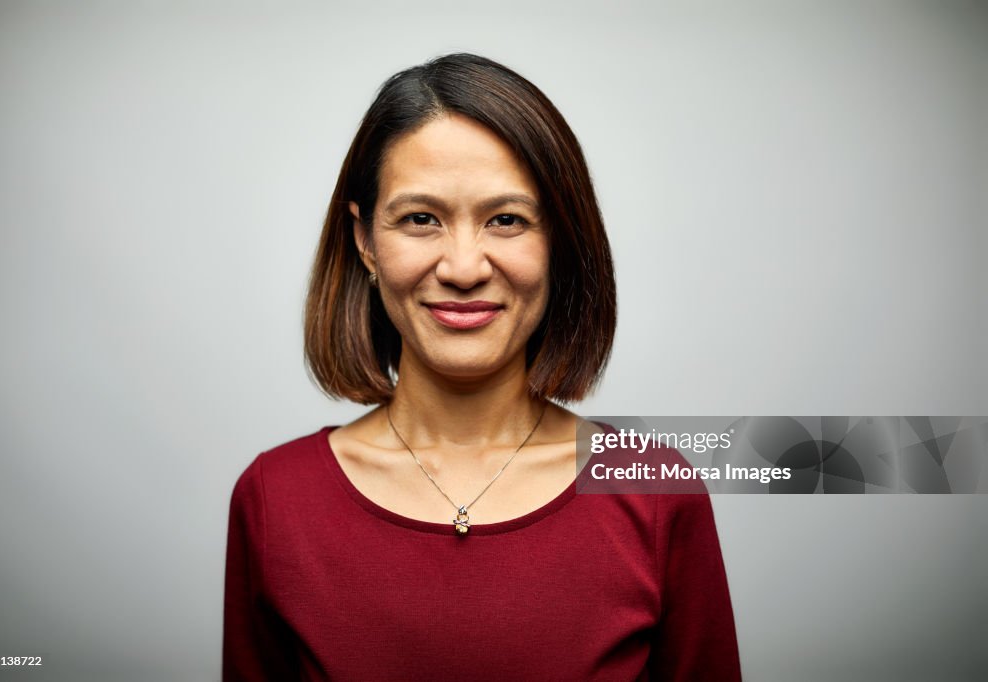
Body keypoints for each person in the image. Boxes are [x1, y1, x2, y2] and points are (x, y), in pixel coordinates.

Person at [223, 53, 740, 681]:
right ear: (364, 241)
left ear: (559, 241)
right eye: (420, 219)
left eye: (507, 220)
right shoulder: (275, 497)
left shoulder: (655, 491)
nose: (464, 268)